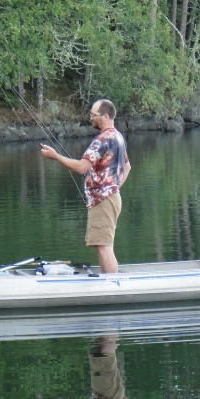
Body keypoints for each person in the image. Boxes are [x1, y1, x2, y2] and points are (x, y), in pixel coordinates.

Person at [40, 99, 131, 273]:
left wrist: (55, 156)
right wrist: (114, 188)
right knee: (103, 245)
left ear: (105, 115)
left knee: (104, 246)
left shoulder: (102, 140)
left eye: (93, 115)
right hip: (110, 198)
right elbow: (127, 166)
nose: (90, 118)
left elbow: (82, 167)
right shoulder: (117, 136)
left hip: (104, 201)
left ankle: (113, 286)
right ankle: (109, 283)